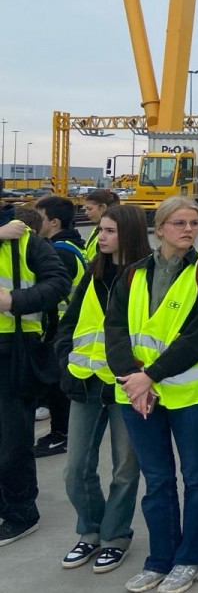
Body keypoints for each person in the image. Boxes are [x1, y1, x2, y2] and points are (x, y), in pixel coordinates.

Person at [105, 196, 198, 593]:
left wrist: (148, 377)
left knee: (197, 478)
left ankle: (191, 559)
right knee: (157, 480)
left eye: (194, 222)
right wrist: (132, 379)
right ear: (159, 229)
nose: (189, 229)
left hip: (191, 395)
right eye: (179, 223)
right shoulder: (132, 275)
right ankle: (160, 560)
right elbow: (115, 330)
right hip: (138, 394)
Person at [54, 204, 148, 574]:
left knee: (124, 470)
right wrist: (65, 360)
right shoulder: (94, 273)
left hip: (127, 386)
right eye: (101, 230)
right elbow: (69, 323)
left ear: (128, 234)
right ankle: (91, 530)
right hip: (85, 382)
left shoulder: (145, 275)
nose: (100, 237)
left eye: (109, 231)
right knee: (75, 469)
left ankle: (114, 537)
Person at [0, 198, 70, 546]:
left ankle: (21, 512)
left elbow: (58, 283)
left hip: (13, 350)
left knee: (11, 438)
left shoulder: (26, 241)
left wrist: (14, 301)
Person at [35, 194, 88, 457]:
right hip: (67, 328)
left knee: (58, 387)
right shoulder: (71, 246)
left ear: (54, 222)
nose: (37, 223)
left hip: (60, 328)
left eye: (40, 218)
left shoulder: (59, 252)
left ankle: (62, 435)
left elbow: (51, 291)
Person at [82, 190, 122, 260]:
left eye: (89, 209)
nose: (86, 213)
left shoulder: (118, 233)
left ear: (103, 207)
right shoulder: (96, 229)